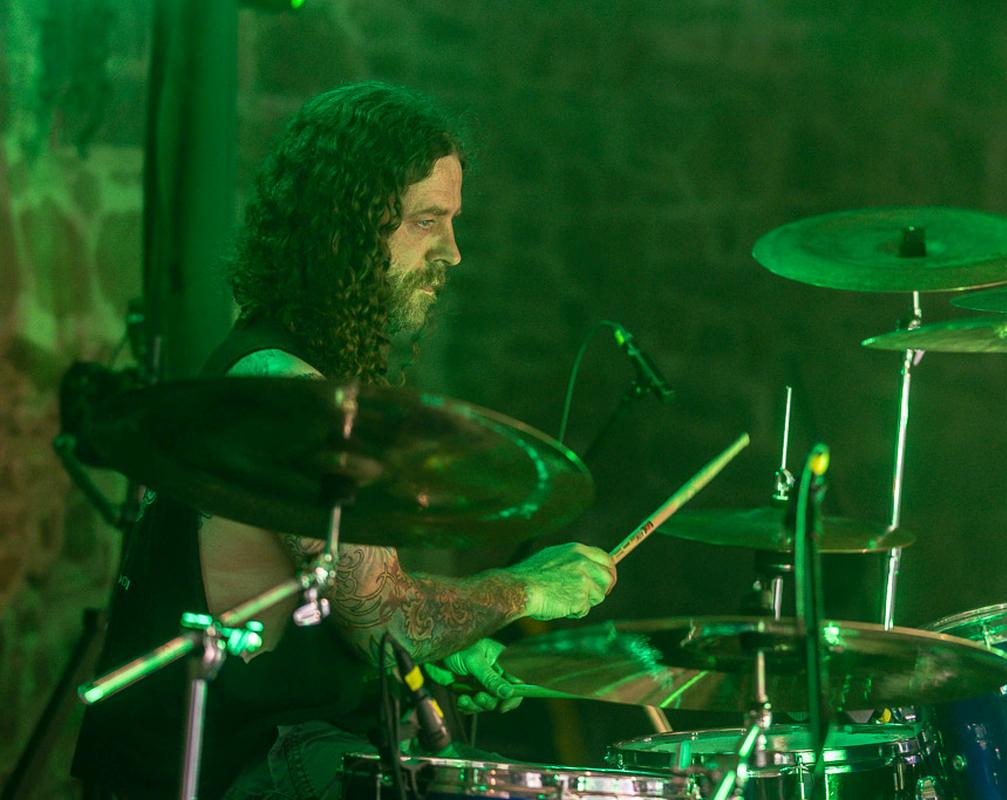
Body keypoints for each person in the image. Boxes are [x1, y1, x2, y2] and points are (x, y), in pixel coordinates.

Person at [73, 81, 617, 800]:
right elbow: (389, 614)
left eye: (452, 222)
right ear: (348, 228)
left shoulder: (290, 373)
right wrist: (527, 588)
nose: (453, 252)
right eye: (427, 221)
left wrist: (447, 652)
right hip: (243, 767)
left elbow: (349, 618)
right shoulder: (281, 389)